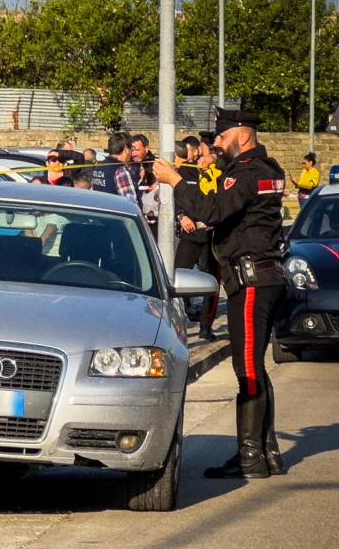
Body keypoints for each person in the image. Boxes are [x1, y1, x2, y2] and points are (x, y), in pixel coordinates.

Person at [153, 108, 287, 480]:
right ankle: (268, 452)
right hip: (264, 276)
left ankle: (250, 459)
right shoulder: (269, 169)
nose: (217, 144)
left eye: (222, 137)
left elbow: (214, 207)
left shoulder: (246, 173)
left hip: (252, 280)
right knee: (254, 366)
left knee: (246, 368)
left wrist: (175, 180)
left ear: (242, 137)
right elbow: (233, 217)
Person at [173, 138, 221, 341]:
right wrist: (181, 216)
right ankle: (179, 320)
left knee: (211, 282)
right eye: (198, 153)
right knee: (176, 278)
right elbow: (177, 196)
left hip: (211, 235)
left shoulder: (219, 174)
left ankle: (205, 327)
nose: (201, 158)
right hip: (191, 233)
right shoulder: (186, 171)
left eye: (205, 154)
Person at [89, 131, 137, 203]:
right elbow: (130, 203)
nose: (132, 154)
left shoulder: (98, 167)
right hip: (115, 212)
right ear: (126, 149)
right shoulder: (120, 170)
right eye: (131, 150)